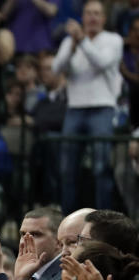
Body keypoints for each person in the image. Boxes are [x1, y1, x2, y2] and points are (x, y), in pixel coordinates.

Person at [53, 0, 123, 213]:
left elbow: (101, 62)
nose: (92, 17)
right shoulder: (70, 42)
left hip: (102, 107)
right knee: (68, 169)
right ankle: (68, 220)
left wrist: (81, 41)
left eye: (97, 13)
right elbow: (57, 67)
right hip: (75, 108)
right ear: (82, 17)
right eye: (88, 13)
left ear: (103, 18)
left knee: (101, 168)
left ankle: (103, 220)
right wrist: (73, 47)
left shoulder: (113, 40)